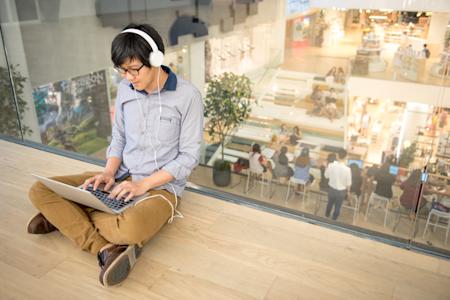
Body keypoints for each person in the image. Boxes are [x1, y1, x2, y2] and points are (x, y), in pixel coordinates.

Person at [27, 23, 204, 287]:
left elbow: (188, 157)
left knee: (130, 228)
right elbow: (119, 137)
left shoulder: (187, 96)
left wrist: (142, 184)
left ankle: (67, 218)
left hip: (160, 188)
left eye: (134, 69)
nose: (128, 76)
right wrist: (109, 173)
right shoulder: (124, 89)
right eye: (122, 69)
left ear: (155, 59)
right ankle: (105, 248)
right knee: (40, 190)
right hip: (120, 177)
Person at [324, 149, 352, 220]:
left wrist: (326, 167)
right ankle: (334, 219)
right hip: (341, 192)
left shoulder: (330, 165)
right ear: (346, 157)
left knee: (329, 203)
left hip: (331, 189)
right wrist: (348, 193)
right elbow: (348, 183)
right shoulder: (347, 169)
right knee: (338, 206)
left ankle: (326, 216)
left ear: (337, 156)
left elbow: (326, 176)